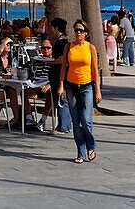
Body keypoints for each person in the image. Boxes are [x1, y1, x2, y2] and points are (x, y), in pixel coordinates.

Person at [58, 20, 101, 164]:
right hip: (71, 86)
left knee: (86, 119)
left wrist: (98, 91)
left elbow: (95, 70)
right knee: (76, 121)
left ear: (86, 33)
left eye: (81, 30)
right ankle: (81, 152)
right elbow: (64, 67)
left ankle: (91, 146)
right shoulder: (68, 47)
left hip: (87, 87)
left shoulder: (90, 48)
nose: (78, 33)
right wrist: (61, 86)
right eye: (76, 30)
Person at [49, 19, 72, 134]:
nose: (52, 30)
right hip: (57, 73)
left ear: (56, 28)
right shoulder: (63, 41)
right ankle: (65, 124)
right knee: (62, 99)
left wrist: (49, 62)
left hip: (58, 73)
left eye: (53, 27)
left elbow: (61, 59)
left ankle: (63, 125)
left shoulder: (61, 42)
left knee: (60, 99)